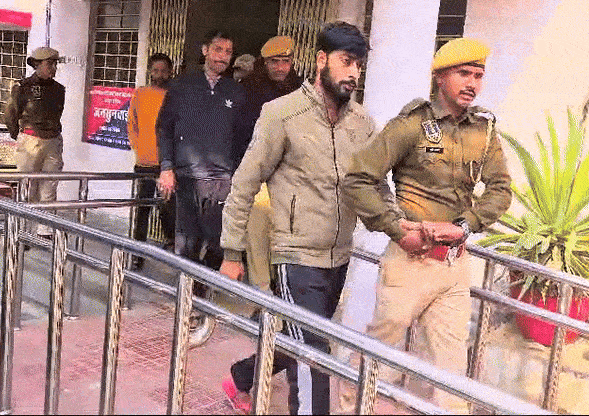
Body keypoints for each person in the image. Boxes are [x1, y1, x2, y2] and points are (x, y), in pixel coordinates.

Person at [338, 38, 513, 413]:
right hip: (410, 262)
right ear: (440, 77)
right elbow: (358, 179)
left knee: (451, 370)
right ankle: (349, 408)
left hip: (454, 266)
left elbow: (500, 190)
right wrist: (396, 228)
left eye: (478, 75)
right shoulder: (412, 125)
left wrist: (465, 226)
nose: (472, 83)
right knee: (378, 353)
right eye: (463, 73)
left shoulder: (483, 131)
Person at [218, 22, 381, 415]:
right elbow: (244, 183)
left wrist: (401, 227)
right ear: (322, 59)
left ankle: (242, 376)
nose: (354, 73)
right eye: (346, 61)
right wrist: (232, 252)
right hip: (294, 256)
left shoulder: (362, 123)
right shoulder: (282, 113)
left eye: (359, 66)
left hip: (338, 257)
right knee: (313, 357)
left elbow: (374, 184)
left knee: (301, 339)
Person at [157, 29, 247, 339]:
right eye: (218, 49)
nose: (223, 56)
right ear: (206, 50)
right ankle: (189, 305)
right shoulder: (182, 86)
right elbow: (164, 128)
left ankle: (201, 293)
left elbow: (243, 138)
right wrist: (166, 167)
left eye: (228, 52)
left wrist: (239, 175)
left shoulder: (236, 92)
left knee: (220, 245)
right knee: (186, 244)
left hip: (222, 181)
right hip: (187, 178)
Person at [236, 35, 304, 291]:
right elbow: (240, 136)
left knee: (286, 240)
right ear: (264, 63)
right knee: (257, 240)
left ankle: (283, 293)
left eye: (285, 61)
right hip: (259, 178)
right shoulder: (248, 91)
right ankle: (262, 295)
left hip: (291, 179)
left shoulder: (302, 91)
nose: (280, 67)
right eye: (274, 62)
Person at [4, 46, 65, 238]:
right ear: (37, 65)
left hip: (52, 141)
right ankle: (23, 230)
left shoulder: (59, 89)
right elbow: (11, 114)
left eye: (55, 64)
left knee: (49, 187)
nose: (53, 68)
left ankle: (45, 230)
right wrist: (19, 135)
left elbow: (57, 114)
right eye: (49, 64)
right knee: (27, 187)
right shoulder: (22, 87)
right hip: (30, 140)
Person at [127, 52, 175, 267]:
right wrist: (139, 148)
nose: (159, 74)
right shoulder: (141, 94)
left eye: (163, 71)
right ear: (150, 72)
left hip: (167, 165)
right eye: (155, 70)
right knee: (142, 210)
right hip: (144, 163)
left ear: (170, 72)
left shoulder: (174, 96)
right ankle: (137, 254)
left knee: (168, 210)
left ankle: (174, 251)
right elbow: (132, 124)